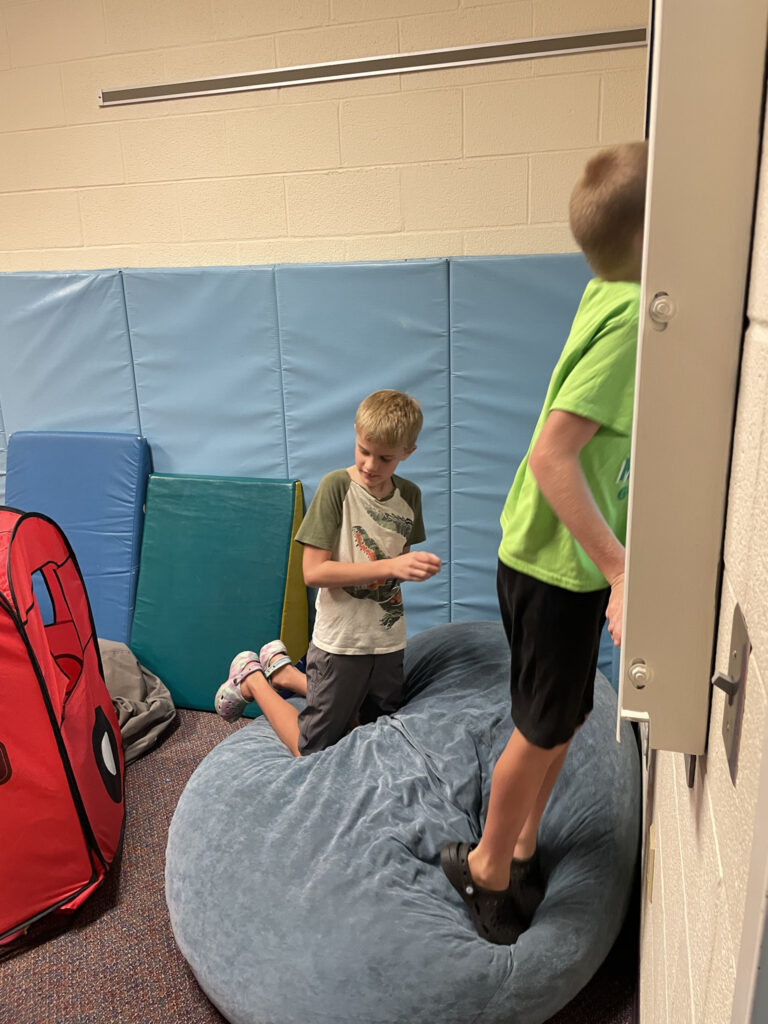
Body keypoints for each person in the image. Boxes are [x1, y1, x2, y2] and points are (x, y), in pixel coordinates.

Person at [440, 140, 648, 945]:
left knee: (559, 715)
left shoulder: (612, 289)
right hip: (556, 567)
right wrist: (620, 568)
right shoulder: (633, 316)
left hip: (549, 559)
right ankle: (488, 871)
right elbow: (552, 454)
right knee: (538, 727)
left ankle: (522, 845)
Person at [214, 388, 441, 756]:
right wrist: (392, 566)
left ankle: (285, 673)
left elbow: (397, 563)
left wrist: (411, 569)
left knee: (371, 731)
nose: (370, 465)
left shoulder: (410, 496)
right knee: (311, 748)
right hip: (341, 642)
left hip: (386, 641)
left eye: (385, 458)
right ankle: (254, 678)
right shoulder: (337, 487)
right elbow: (314, 572)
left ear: (407, 453)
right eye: (363, 451)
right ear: (355, 433)